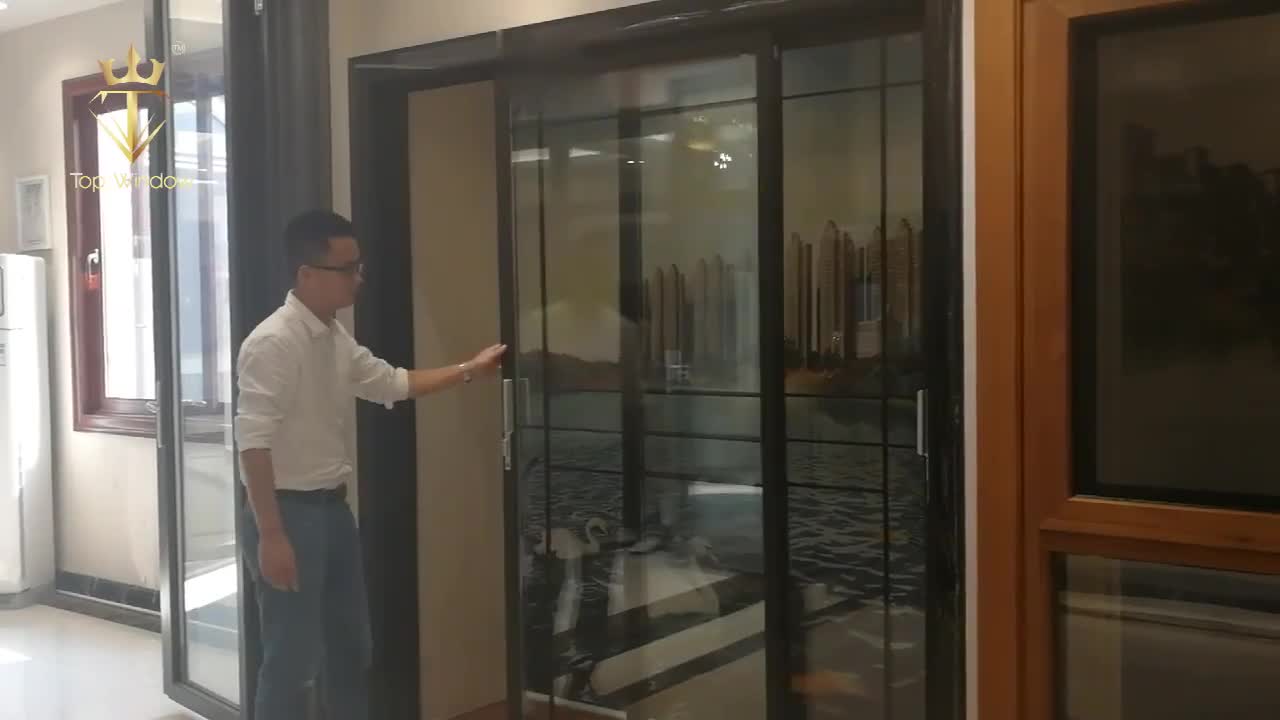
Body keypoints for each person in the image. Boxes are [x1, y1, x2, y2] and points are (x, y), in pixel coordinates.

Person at [235, 210, 505, 719]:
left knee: (351, 648)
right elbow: (252, 442)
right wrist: (271, 534)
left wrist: (470, 369)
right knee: (292, 660)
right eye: (346, 268)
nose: (358, 277)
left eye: (358, 266)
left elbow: (390, 383)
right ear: (306, 274)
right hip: (287, 514)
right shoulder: (273, 343)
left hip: (332, 512)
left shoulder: (333, 336)